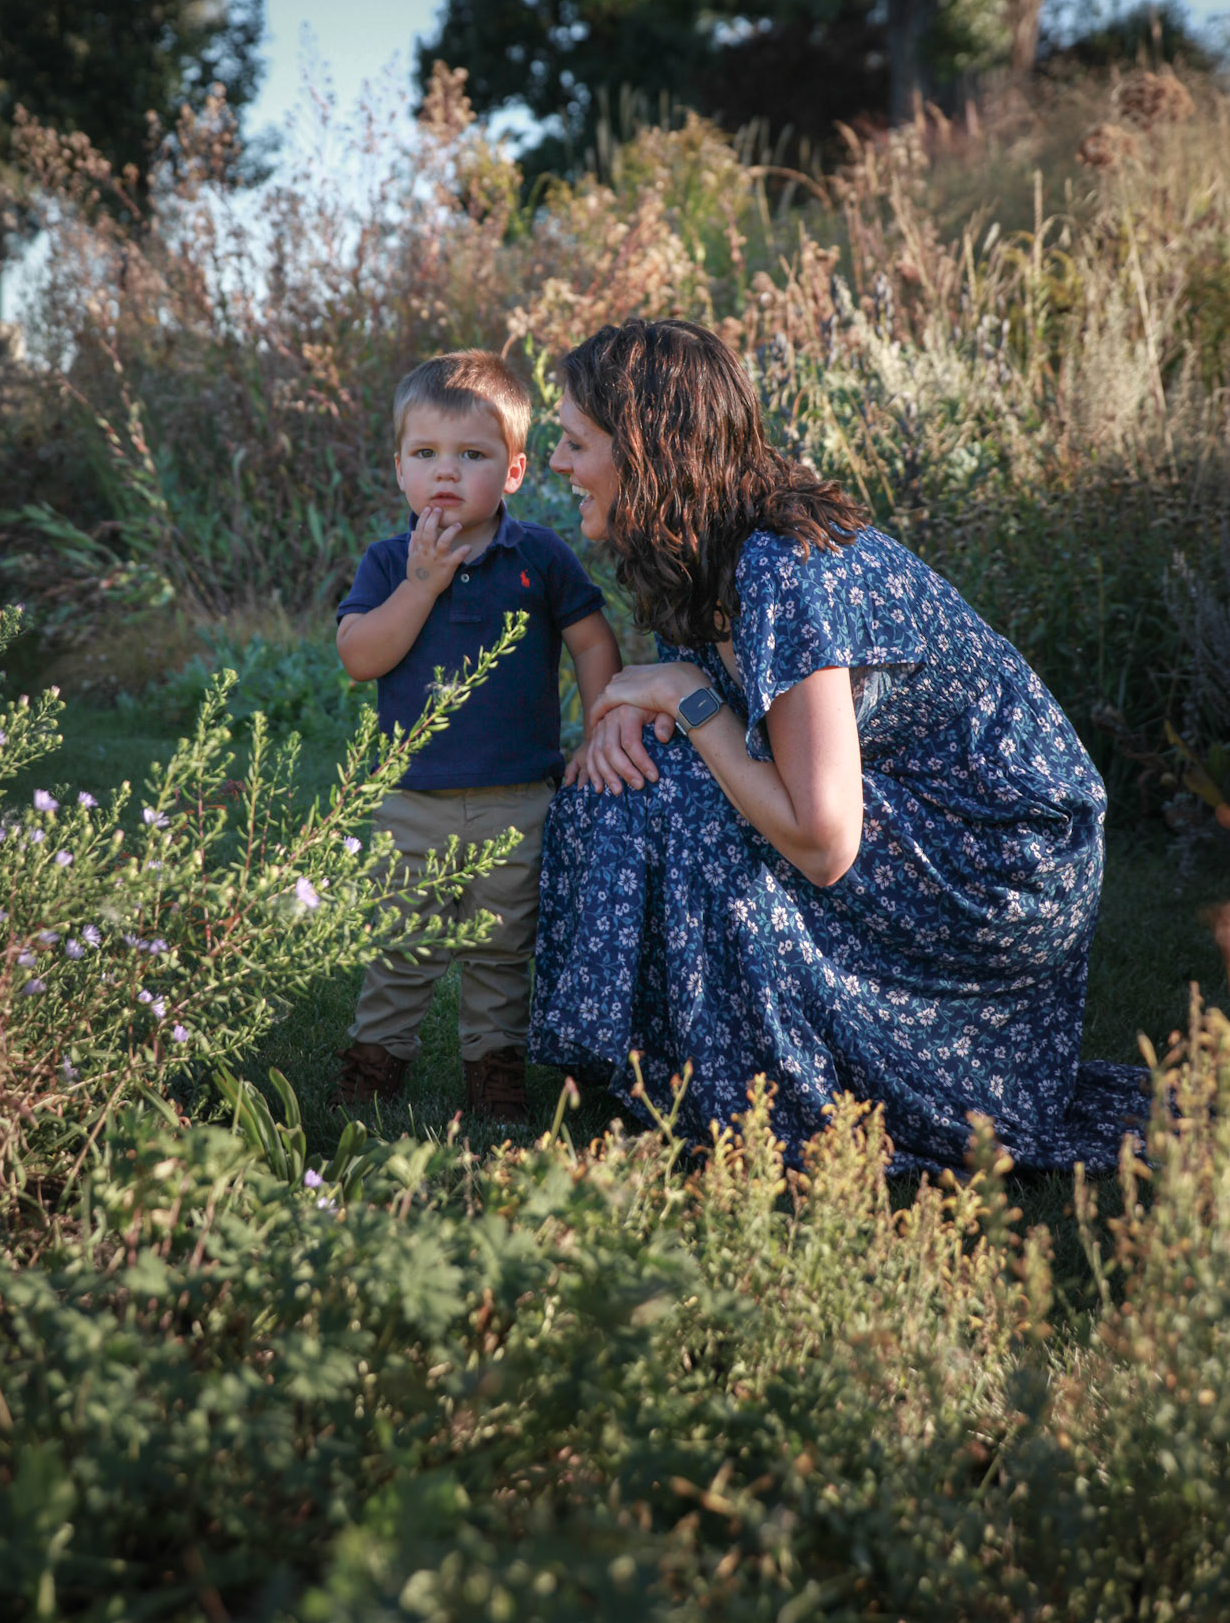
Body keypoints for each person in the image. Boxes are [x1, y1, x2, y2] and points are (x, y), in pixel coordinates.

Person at [530, 318, 1147, 1172]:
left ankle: (763, 1095)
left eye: (575, 442)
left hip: (1001, 861)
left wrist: (683, 700)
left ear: (647, 452)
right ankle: (645, 1072)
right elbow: (710, 699)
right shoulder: (702, 545)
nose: (556, 462)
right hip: (914, 816)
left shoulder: (784, 566)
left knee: (696, 807)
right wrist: (635, 711)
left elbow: (824, 844)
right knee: (630, 780)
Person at [334, 349, 621, 1121]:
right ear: (399, 469)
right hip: (413, 800)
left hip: (518, 797)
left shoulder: (539, 558)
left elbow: (592, 641)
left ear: (515, 470)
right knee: (402, 942)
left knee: (502, 945)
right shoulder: (389, 562)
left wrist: (597, 732)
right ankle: (375, 1062)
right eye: (426, 453)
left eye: (471, 455)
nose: (446, 472)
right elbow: (360, 656)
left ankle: (493, 1072)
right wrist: (420, 585)